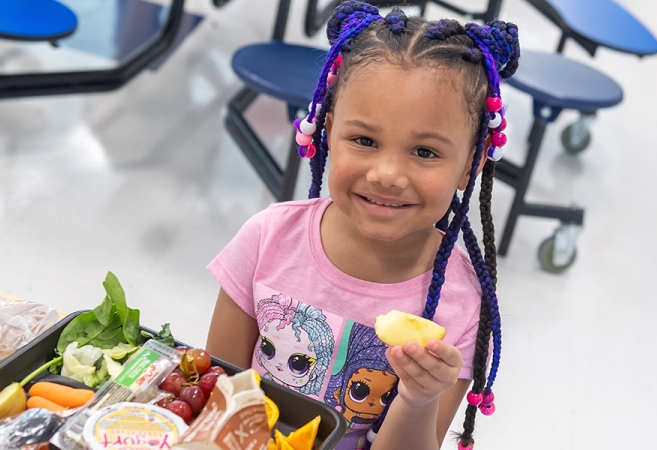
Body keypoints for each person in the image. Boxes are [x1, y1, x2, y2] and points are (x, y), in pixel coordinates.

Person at [206, 2, 519, 449]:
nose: (387, 174)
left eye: (425, 152)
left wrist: (418, 397)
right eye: (364, 140)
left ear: (470, 164)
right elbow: (219, 392)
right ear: (328, 131)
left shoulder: (463, 304)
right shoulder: (267, 239)